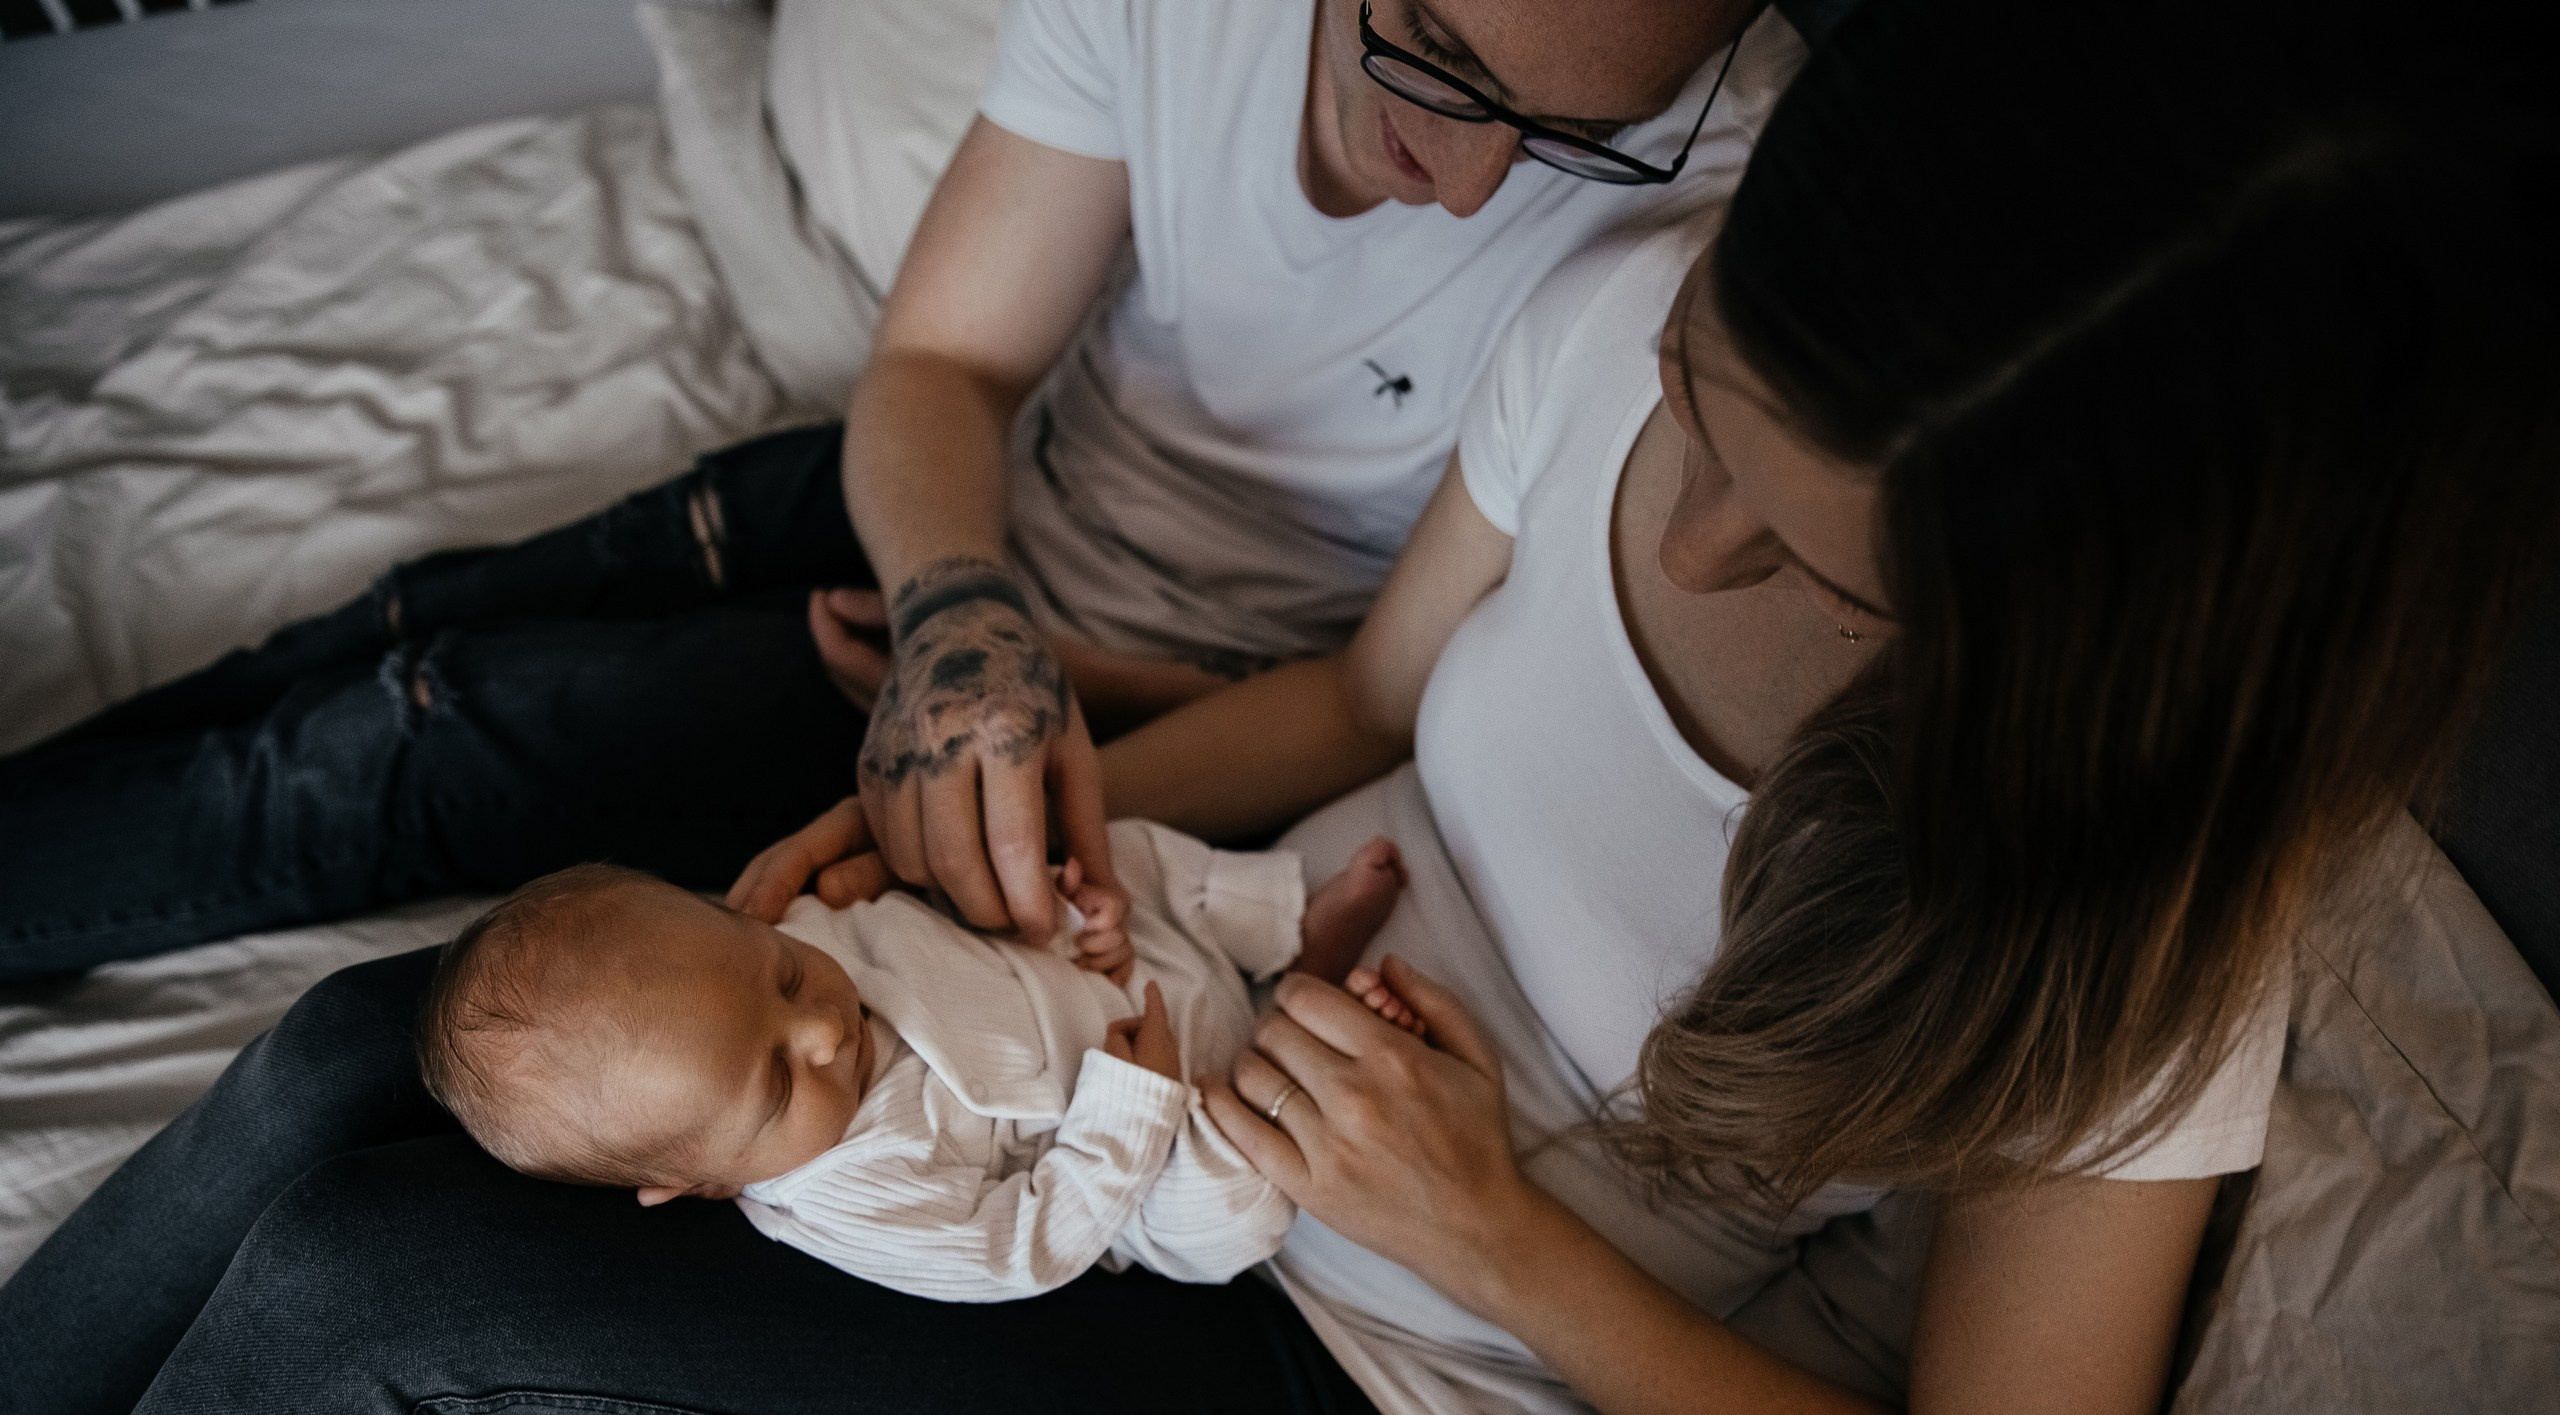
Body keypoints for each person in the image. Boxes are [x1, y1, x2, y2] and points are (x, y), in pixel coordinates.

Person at [6, 0, 2555, 1415]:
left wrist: (1497, 1232)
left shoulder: (2130, 924)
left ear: (2065, 626)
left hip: (1329, 1360)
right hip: (1128, 987)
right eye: (1695, 420)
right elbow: (1357, 696)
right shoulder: (1623, 303)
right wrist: (974, 804)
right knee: (381, 1034)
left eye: (1804, 560)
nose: (1681, 551)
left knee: (379, 1283)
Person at [0, 0, 1792, 983]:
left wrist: (1028, 726)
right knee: (391, 626)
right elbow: (944, 369)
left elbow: (1395, 695)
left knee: (392, 746)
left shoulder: (1737, 213)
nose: (1477, 187)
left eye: (1569, 133)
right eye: (1435, 56)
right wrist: (965, 610)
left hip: (1190, 702)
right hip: (966, 512)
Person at [413, 831, 1418, 1300]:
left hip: (1113, 970)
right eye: (773, 1083)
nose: (819, 1034)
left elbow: (950, 925)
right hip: (1154, 1145)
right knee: (1238, 1208)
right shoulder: (849, 1197)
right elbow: (1016, 1248)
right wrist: (1132, 1110)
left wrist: (1072, 911)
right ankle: (1299, 1045)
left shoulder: (790, 931)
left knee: (1125, 850)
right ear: (694, 1182)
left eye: (787, 979)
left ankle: (1287, 925)